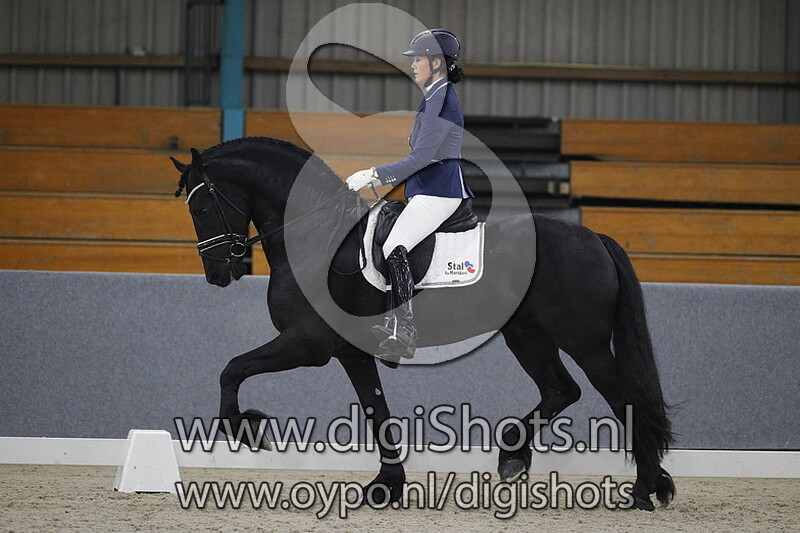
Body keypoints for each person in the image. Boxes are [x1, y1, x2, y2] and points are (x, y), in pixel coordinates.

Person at [346, 29, 473, 361]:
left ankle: (404, 329)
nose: (413, 65)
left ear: (436, 63)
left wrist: (373, 174)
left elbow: (422, 158)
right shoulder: (432, 97)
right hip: (426, 187)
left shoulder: (441, 101)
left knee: (394, 245)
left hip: (440, 189)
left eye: (418, 60)